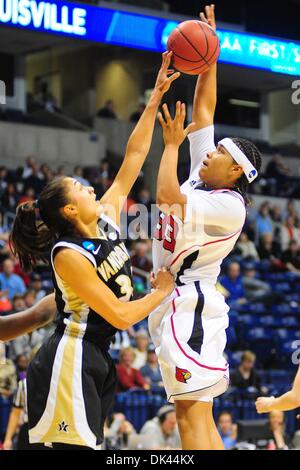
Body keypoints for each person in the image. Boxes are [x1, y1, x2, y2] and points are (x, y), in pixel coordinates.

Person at [9, 53, 177, 450]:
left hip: (98, 357)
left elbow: (133, 158)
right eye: (80, 188)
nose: (89, 188)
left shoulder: (105, 218)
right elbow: (119, 315)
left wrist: (153, 99)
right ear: (69, 210)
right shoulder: (67, 253)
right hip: (70, 356)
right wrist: (161, 291)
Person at [149, 4, 262, 450]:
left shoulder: (228, 206)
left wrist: (171, 145)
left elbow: (166, 197)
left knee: (189, 419)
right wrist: (210, 56)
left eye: (219, 153)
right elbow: (205, 107)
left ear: (235, 171)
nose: (208, 150)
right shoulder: (204, 172)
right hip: (176, 299)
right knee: (197, 418)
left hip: (189, 302)